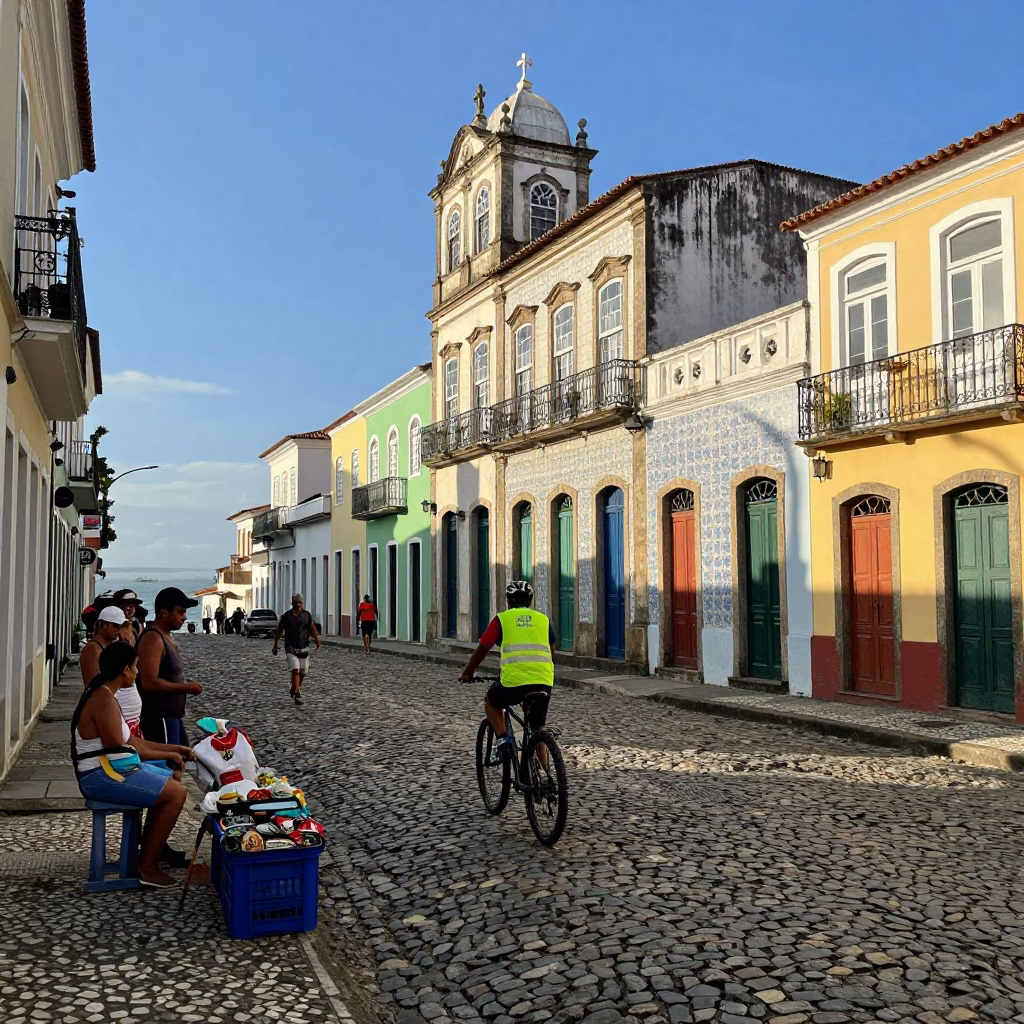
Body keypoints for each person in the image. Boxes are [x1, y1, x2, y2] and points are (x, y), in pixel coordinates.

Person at [72, 641, 194, 888]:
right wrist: (167, 755)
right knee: (176, 793)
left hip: (107, 769)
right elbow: (122, 750)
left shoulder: (106, 694)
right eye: (136, 667)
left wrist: (175, 750)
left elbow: (132, 742)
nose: (137, 673)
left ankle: (147, 855)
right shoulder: (103, 700)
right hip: (100, 776)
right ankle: (147, 867)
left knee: (169, 778)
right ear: (125, 669)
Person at [459, 581, 555, 762]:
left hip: (513, 682)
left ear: (508, 601)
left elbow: (482, 649)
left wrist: (468, 672)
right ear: (530, 601)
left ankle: (503, 740)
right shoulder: (543, 619)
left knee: (491, 703)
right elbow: (552, 649)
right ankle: (546, 778)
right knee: (538, 728)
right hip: (544, 680)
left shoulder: (502, 619)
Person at [138, 587, 202, 753]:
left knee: (180, 760)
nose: (185, 617)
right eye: (180, 612)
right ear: (164, 612)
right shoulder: (153, 638)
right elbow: (149, 682)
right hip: (159, 716)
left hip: (173, 715)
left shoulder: (165, 635)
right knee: (167, 764)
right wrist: (186, 688)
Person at [272, 593, 320, 704]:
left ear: (302, 604)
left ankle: (294, 687)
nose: (298, 605)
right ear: (292, 604)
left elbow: (312, 629)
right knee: (295, 669)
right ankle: (297, 693)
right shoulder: (286, 616)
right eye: (296, 603)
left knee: (302, 671)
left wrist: (317, 641)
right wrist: (275, 644)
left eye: (299, 603)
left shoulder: (307, 615)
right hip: (290, 647)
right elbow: (279, 630)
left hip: (304, 646)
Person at [79, 605, 126, 686]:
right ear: (103, 625)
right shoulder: (93, 649)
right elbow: (93, 684)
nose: (118, 629)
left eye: (120, 626)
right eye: (115, 625)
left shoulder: (106, 646)